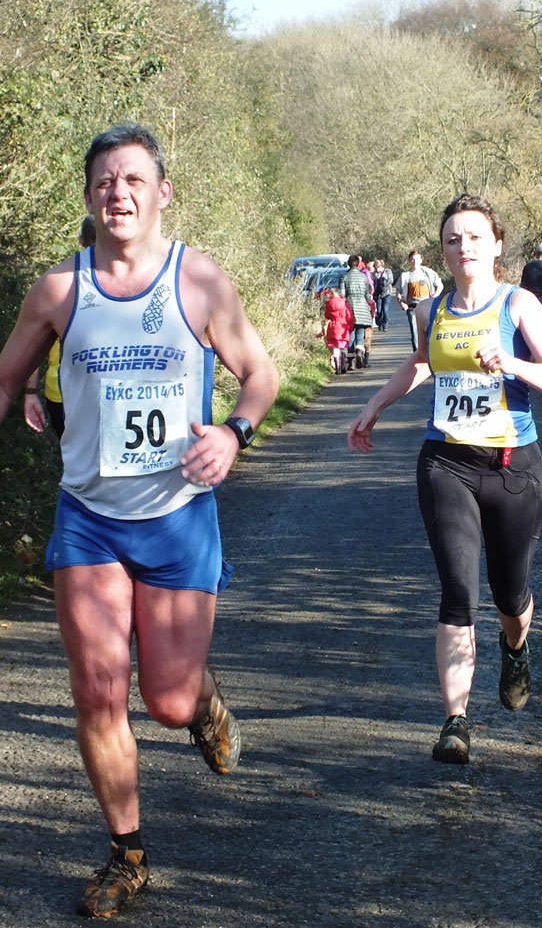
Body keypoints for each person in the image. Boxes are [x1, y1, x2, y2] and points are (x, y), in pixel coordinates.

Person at [0, 122, 279, 917]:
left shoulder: (199, 282)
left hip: (177, 515)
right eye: (103, 181)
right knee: (97, 690)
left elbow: (259, 374)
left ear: (161, 192)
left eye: (132, 180)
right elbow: (6, 376)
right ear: (88, 195)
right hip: (88, 518)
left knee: (167, 699)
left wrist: (234, 432)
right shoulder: (60, 289)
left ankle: (201, 699)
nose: (116, 192)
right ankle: (126, 854)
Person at [348, 193, 542, 766]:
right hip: (446, 462)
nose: (462, 246)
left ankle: (515, 646)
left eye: (474, 236)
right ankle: (456, 721)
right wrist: (373, 404)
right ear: (442, 250)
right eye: (453, 238)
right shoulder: (435, 307)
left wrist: (513, 363)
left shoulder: (519, 305)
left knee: (509, 595)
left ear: (497, 245)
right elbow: (421, 362)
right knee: (457, 590)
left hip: (513, 468)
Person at [23, 215, 97, 438]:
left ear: (81, 239)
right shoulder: (124, 283)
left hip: (60, 394)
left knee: (74, 459)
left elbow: (34, 348)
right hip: (99, 393)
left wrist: (30, 391)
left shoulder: (59, 281)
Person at [395, 250, 443, 351]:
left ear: (421, 260)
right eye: (412, 259)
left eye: (416, 259)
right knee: (415, 333)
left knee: (430, 330)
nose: (414, 261)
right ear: (409, 261)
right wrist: (402, 303)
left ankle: (431, 353)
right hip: (412, 307)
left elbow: (440, 285)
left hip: (427, 306)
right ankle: (417, 354)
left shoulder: (428, 273)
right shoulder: (405, 276)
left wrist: (434, 296)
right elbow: (398, 291)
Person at [341, 255, 373, 369]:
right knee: (360, 330)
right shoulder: (363, 277)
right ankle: (359, 350)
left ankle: (351, 361)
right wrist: (368, 302)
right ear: (358, 263)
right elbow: (368, 295)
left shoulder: (344, 277)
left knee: (350, 332)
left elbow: (342, 295)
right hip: (362, 307)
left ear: (348, 264)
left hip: (349, 307)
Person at [317, 287, 354, 374]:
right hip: (342, 326)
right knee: (342, 347)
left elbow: (327, 315)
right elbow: (350, 317)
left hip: (333, 326)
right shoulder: (344, 303)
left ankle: (337, 368)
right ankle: (343, 365)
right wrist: (350, 328)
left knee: (335, 348)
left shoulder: (329, 303)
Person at [373, 258, 394, 331]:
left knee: (385, 310)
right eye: (375, 267)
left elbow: (391, 280)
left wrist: (384, 283)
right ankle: (379, 323)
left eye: (378, 267)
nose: (377, 269)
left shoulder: (388, 271)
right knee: (379, 311)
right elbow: (372, 283)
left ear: (381, 266)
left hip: (387, 293)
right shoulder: (374, 273)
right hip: (378, 294)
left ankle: (385, 324)